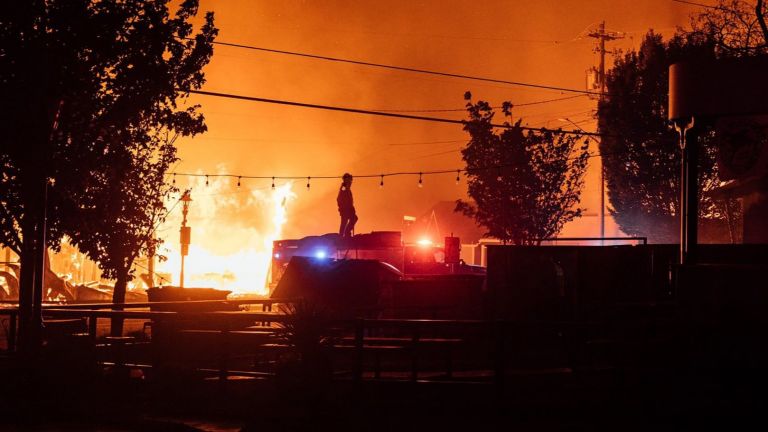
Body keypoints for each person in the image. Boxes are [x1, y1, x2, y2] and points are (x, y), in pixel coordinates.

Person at [337, 173, 358, 238]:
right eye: (349, 180)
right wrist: (343, 207)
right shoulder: (344, 187)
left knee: (352, 219)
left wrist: (352, 207)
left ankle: (345, 234)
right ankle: (343, 235)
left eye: (350, 180)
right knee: (345, 221)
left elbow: (349, 200)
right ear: (345, 180)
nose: (351, 182)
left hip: (348, 209)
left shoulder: (347, 188)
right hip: (345, 209)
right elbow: (339, 199)